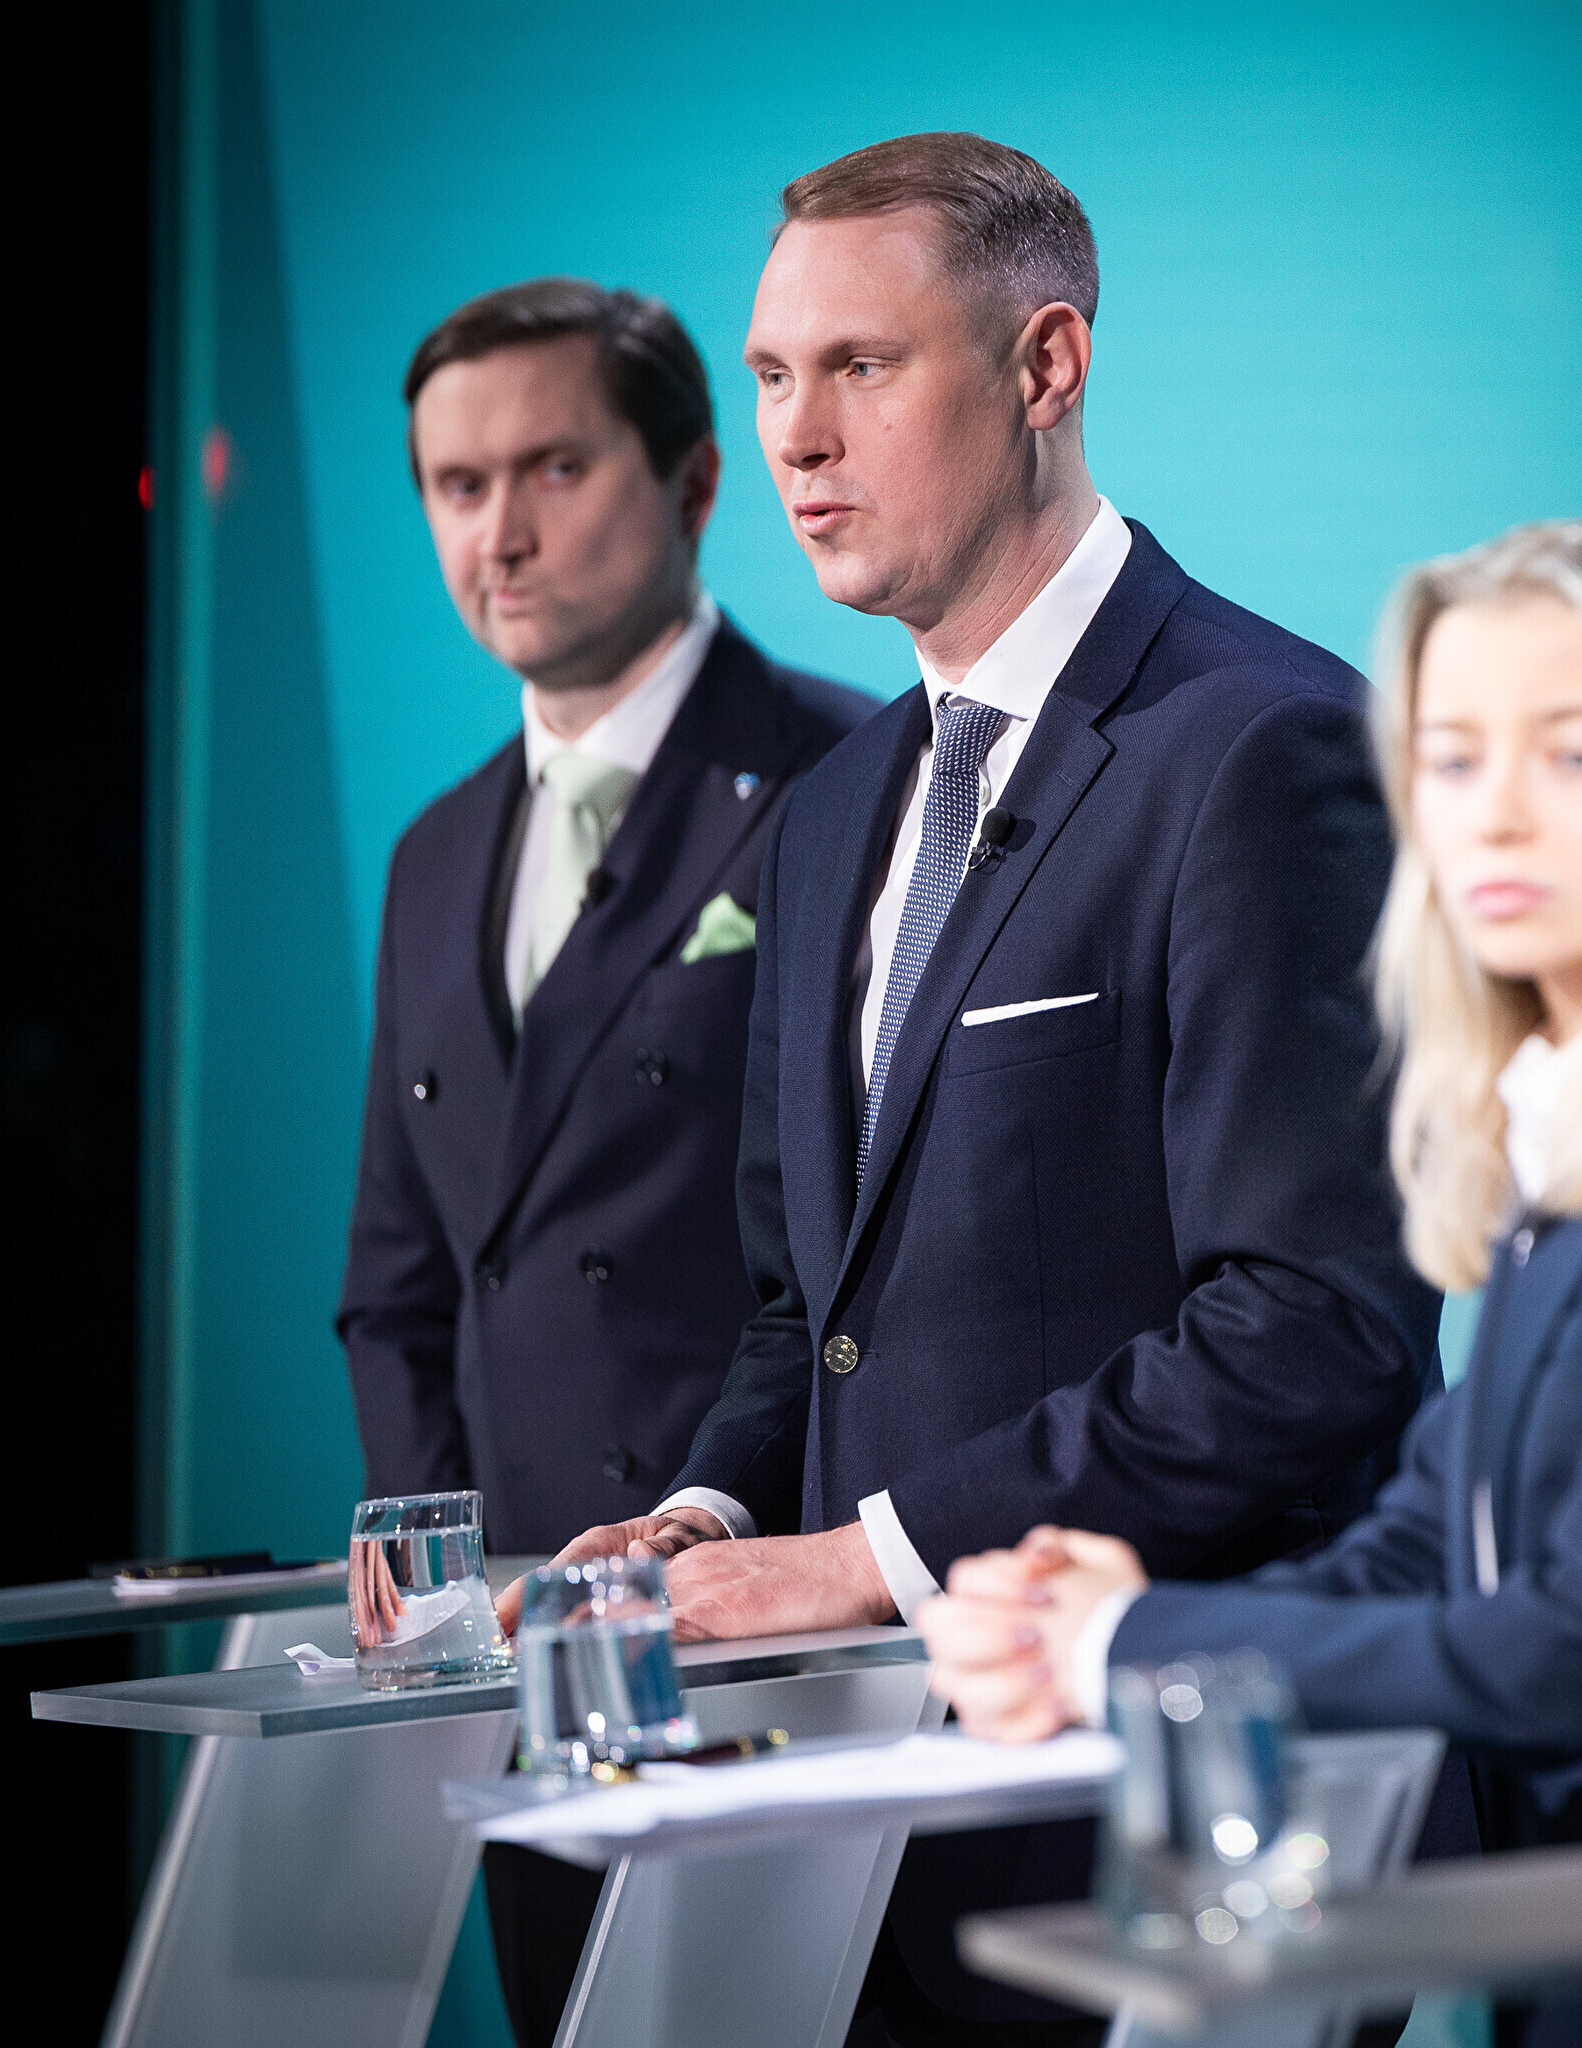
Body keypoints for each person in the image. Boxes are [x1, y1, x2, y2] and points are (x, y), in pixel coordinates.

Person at [507, 135, 1441, 2038]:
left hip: (1168, 1806)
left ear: (1046, 366)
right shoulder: (835, 804)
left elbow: (1315, 1327)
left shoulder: (1261, 749)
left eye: (862, 366)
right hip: (874, 1825)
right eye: (775, 377)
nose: (797, 437)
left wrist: (867, 1564)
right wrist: (708, 1519)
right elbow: (809, 1308)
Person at [921, 514, 1582, 2046]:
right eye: (1456, 760)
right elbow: (1427, 1547)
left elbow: (1577, 1642)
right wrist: (1117, 1623)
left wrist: (1120, 1647)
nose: (1499, 818)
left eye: (1576, 755)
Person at [336, 277, 873, 2044]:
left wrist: (729, 1554)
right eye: (456, 485)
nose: (498, 532)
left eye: (552, 469)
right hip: (528, 1665)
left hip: (765, 1638)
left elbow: (856, 1261)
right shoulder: (434, 855)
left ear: (696, 479)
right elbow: (401, 1282)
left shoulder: (849, 776)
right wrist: (449, 1611)